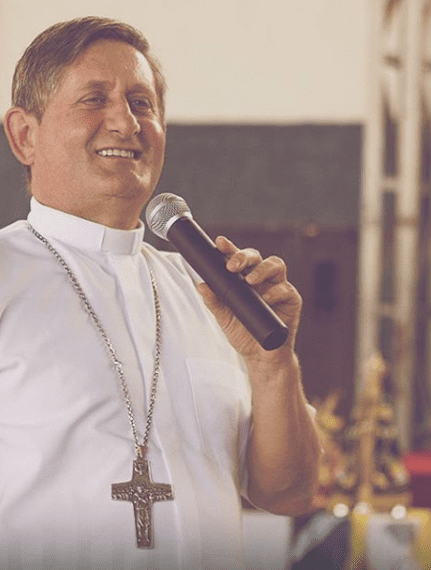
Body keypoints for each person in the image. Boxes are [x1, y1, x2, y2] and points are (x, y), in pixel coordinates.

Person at [0, 16, 321, 570]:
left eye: (142, 103)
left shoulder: (211, 292)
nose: (126, 122)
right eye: (94, 99)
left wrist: (272, 365)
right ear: (25, 135)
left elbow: (288, 493)